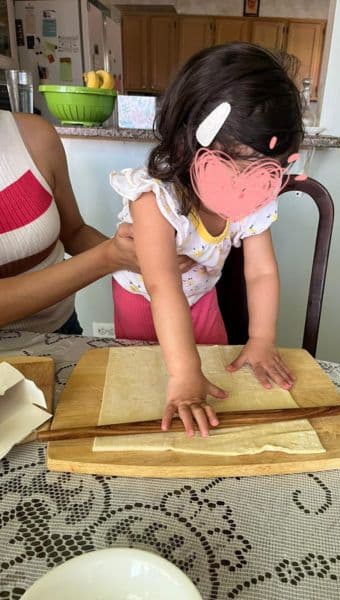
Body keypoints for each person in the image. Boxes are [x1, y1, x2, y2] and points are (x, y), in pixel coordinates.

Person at [110, 42, 304, 437]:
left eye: (266, 170)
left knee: (214, 379)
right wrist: (183, 374)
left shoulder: (251, 196)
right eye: (235, 166)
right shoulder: (155, 199)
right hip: (143, 303)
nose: (250, 186)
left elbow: (261, 272)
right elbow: (162, 286)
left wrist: (261, 338)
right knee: (149, 390)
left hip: (202, 299)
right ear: (186, 145)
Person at [0, 109, 193, 334]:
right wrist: (109, 257)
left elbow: (74, 232)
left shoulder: (35, 136)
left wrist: (136, 253)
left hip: (61, 329)